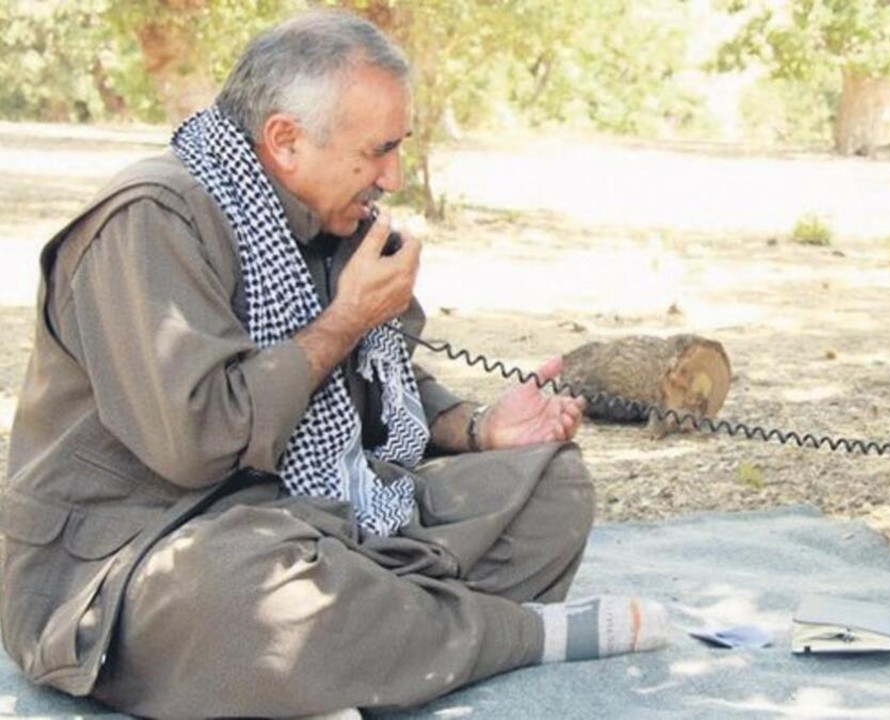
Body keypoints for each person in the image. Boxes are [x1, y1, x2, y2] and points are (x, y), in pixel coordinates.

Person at [0, 10, 668, 718]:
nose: (395, 175)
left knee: (550, 487)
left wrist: (476, 430)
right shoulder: (152, 220)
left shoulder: (327, 215)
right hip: (146, 544)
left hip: (326, 517)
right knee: (258, 594)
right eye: (378, 151)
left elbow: (377, 388)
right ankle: (509, 636)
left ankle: (363, 648)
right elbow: (196, 445)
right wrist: (344, 321)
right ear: (285, 140)